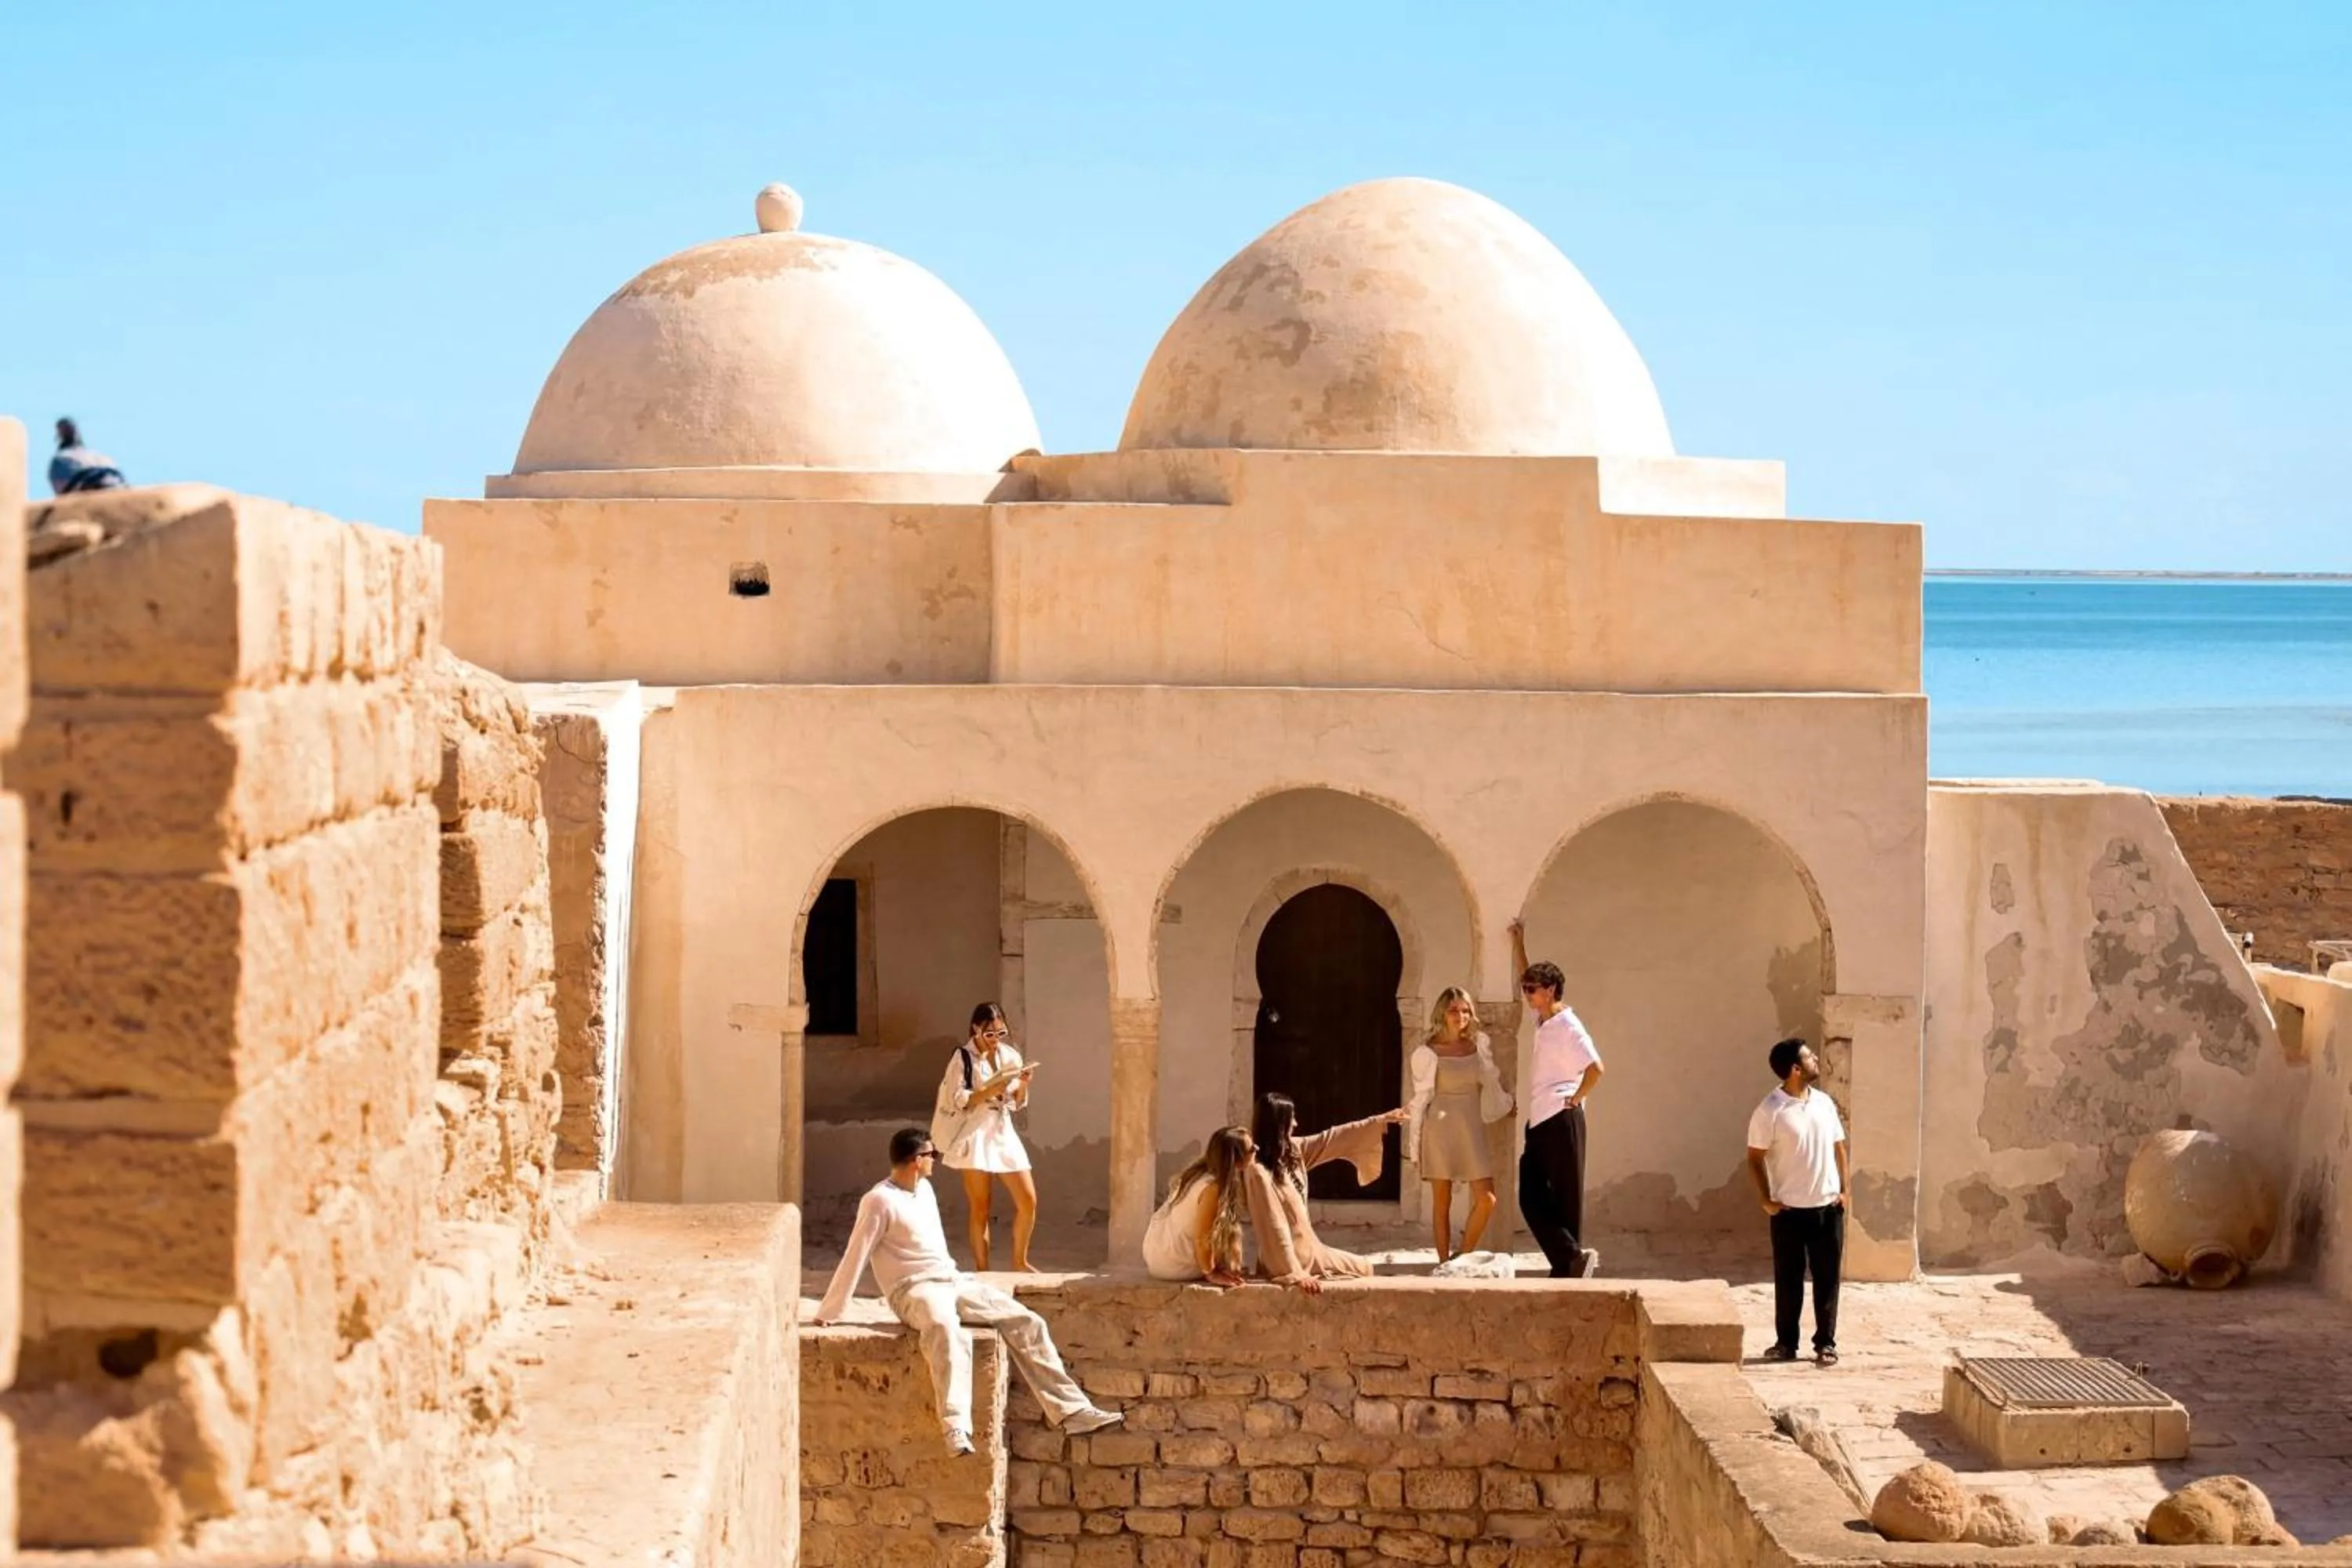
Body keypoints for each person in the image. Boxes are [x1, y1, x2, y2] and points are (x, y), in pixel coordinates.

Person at [813, 1127, 1125, 1454]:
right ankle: (956, 1428)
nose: (936, 1161)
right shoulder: (878, 1200)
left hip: (951, 1279)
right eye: (932, 1155)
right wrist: (831, 1311)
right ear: (917, 1160)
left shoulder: (926, 1191)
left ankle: (1072, 1411)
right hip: (912, 1290)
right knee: (945, 1329)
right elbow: (856, 1253)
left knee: (1026, 1322)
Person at [1745, 1037, 1850, 1367]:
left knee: (1828, 1279)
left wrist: (1845, 1190)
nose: (1815, 1059)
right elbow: (1754, 1158)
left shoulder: (1823, 1103)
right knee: (1789, 1281)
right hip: (1789, 1210)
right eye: (1809, 1057)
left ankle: (1826, 1343)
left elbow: (1839, 1147)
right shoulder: (1769, 1110)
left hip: (1827, 1207)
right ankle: (1786, 1343)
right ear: (1794, 1069)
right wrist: (1765, 1199)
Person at [1511, 918, 1604, 1278]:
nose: (1526, 995)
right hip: (1541, 1120)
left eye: (1531, 989)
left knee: (1565, 1198)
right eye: (1525, 988)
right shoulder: (1545, 1017)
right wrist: (1519, 944)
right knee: (1530, 1194)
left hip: (1562, 1116)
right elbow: (1528, 972)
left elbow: (1597, 1068)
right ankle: (1569, 1258)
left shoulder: (1568, 1025)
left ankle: (1567, 1266)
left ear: (1550, 990)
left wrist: (1576, 1098)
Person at [1141, 1125, 1322, 1293]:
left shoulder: (1198, 1175)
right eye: (1251, 1149)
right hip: (1172, 1264)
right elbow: (1202, 1237)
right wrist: (1210, 1272)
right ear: (1237, 1158)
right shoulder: (1212, 1188)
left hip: (1157, 1255)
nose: (1257, 1149)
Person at [1248, 1091, 1407, 1280]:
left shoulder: (1294, 1151)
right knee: (1362, 1271)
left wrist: (1378, 1121)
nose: (1296, 1124)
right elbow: (1273, 1225)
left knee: (1365, 1268)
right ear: (1279, 1125)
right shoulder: (1257, 1170)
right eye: (1291, 1120)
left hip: (1311, 1247)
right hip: (1291, 1258)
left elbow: (1332, 1138)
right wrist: (1294, 1273)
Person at [1405, 986, 1513, 1263]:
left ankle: (1462, 1256)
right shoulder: (1427, 1053)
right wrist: (1414, 1146)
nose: (1461, 1016)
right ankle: (1442, 1264)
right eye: (1454, 1010)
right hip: (1439, 1128)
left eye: (1466, 1011)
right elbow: (1421, 1099)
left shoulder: (1478, 1045)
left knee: (1487, 1199)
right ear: (1443, 1012)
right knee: (1442, 1204)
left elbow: (1490, 1082)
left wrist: (1506, 1104)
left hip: (1471, 1127)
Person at [932, 1003, 1039, 1271]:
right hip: (976, 1132)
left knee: (1028, 1201)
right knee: (981, 1207)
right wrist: (990, 1089)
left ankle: (1020, 1262)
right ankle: (983, 1269)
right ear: (976, 1029)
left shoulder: (1009, 1055)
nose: (995, 1040)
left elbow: (1017, 1103)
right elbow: (960, 1100)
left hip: (1002, 1130)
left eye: (1000, 1033)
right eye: (989, 1034)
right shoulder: (963, 1058)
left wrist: (1023, 1085)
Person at [48, 418, 126, 495]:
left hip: (91, 486)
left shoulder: (59, 460)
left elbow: (62, 492)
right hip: (116, 484)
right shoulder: (99, 455)